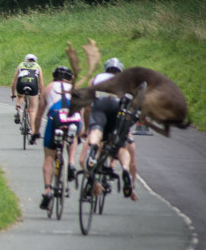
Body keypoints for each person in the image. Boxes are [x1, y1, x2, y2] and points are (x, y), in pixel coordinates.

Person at [78, 57, 139, 201]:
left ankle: (93, 152)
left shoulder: (96, 79)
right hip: (118, 109)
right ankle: (124, 167)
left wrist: (87, 128)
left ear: (106, 69)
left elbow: (87, 107)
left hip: (101, 106)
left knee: (97, 134)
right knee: (122, 148)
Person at [32, 66, 82, 210]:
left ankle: (47, 190)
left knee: (49, 156)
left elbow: (39, 114)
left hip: (56, 117)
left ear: (55, 77)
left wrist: (35, 133)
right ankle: (71, 163)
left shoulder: (48, 88)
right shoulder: (75, 89)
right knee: (72, 138)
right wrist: (80, 133)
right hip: (74, 118)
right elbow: (80, 113)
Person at [11, 54, 44, 143]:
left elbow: (14, 82)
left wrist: (13, 94)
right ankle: (33, 133)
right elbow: (41, 83)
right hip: (33, 86)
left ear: (25, 60)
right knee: (33, 110)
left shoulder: (21, 65)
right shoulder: (37, 66)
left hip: (21, 85)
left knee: (20, 96)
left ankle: (18, 110)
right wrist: (41, 94)